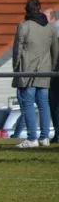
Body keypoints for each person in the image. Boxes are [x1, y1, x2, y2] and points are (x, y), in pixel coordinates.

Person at [12, 0, 59, 148]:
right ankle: (44, 138)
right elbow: (55, 50)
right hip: (45, 70)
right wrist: (51, 66)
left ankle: (32, 138)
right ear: (39, 9)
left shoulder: (24, 26)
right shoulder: (49, 28)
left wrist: (16, 67)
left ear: (27, 10)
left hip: (27, 70)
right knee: (44, 104)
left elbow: (17, 49)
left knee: (27, 104)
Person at [45, 9, 59, 143]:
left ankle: (58, 134)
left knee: (54, 104)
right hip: (54, 72)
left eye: (46, 17)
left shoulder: (53, 30)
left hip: (55, 72)